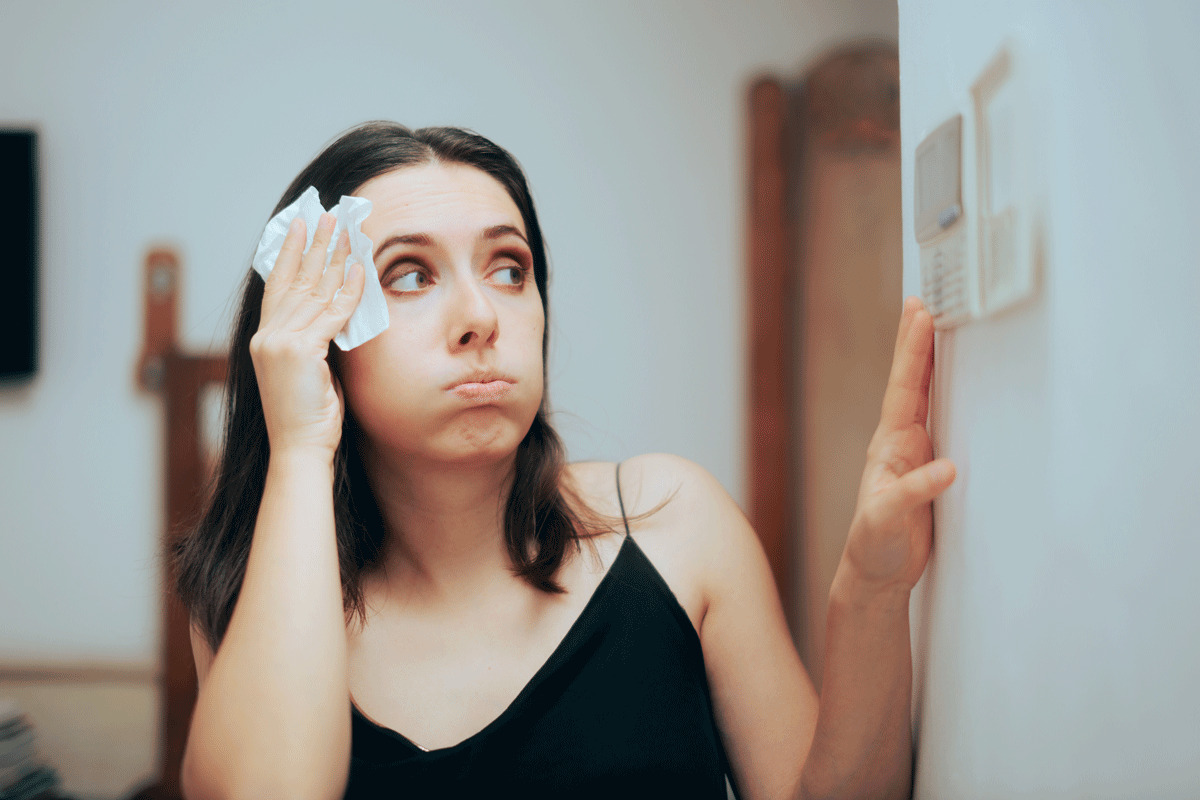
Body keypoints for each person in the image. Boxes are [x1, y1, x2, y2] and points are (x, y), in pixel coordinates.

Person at [171, 122, 956, 800]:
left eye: (509, 269)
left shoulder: (675, 525)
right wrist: (303, 441)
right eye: (409, 275)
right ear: (322, 329)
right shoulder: (252, 594)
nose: (481, 316)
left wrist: (873, 592)